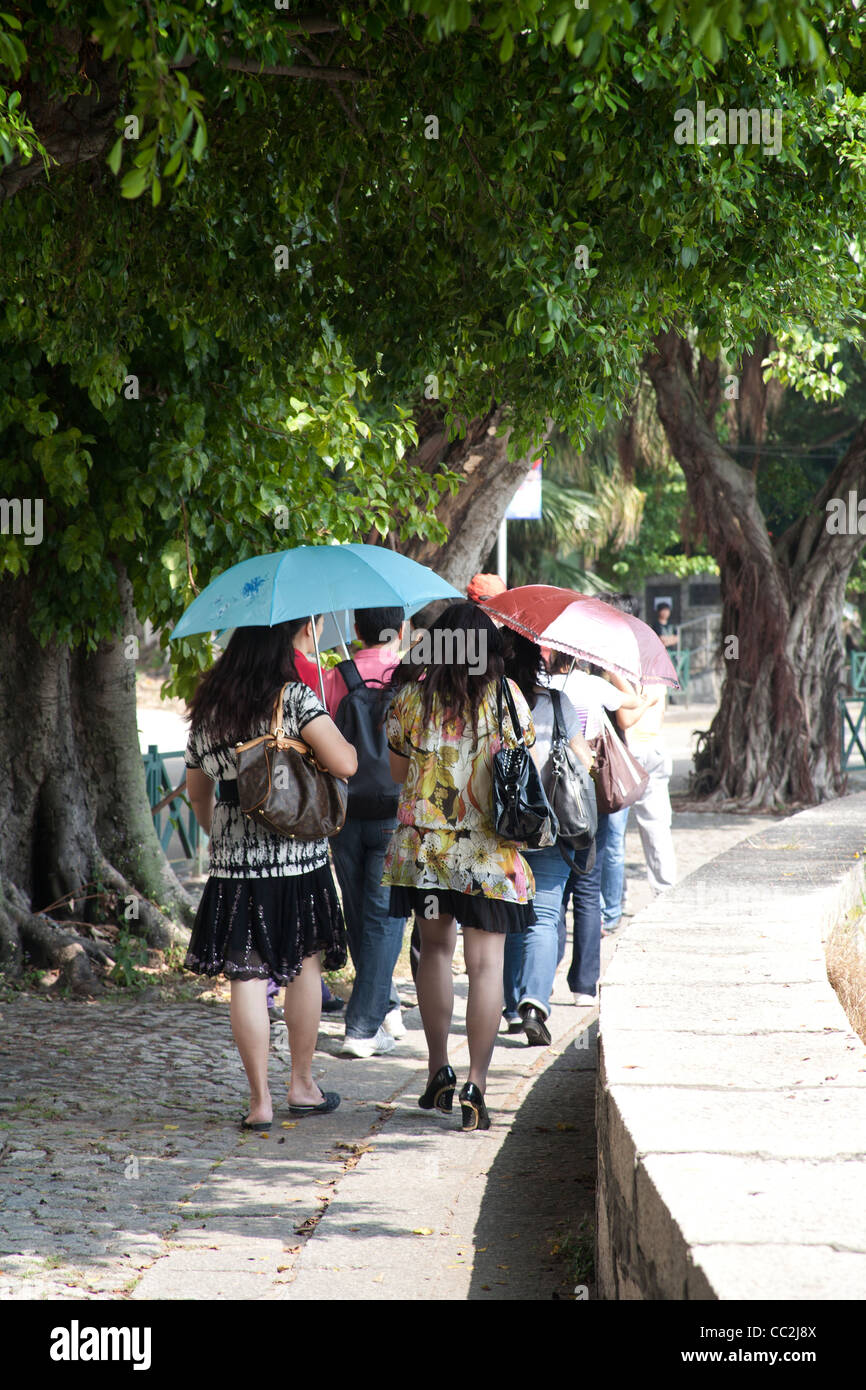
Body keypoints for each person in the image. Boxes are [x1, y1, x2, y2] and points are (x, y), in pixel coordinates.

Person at [184, 619, 358, 1129]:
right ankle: (301, 1085)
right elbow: (345, 763)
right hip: (297, 860)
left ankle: (259, 1101)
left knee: (246, 974)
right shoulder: (295, 698)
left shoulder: (210, 707)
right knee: (304, 965)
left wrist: (216, 834)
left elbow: (198, 790)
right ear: (280, 645)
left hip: (234, 866)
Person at [382, 602, 536, 1131]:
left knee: (434, 952)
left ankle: (437, 1068)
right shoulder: (509, 698)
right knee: (486, 965)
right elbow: (519, 763)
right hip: (488, 854)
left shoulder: (410, 700)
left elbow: (398, 770)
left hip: (426, 854)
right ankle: (478, 1083)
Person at [501, 633, 595, 1045]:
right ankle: (534, 1003)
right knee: (544, 916)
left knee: (505, 918)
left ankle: (506, 1007)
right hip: (551, 825)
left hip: (502, 828)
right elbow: (584, 763)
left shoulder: (490, 703)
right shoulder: (558, 703)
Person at [326, 606, 409, 1058]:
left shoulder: (335, 677)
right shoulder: (411, 676)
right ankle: (362, 1026)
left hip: (343, 810)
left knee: (358, 912)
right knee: (385, 917)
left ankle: (383, 1005)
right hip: (395, 811)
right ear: (399, 630)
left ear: (357, 630)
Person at [549, 654, 650, 1004]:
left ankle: (542, 980)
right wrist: (613, 670)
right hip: (589, 795)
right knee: (588, 892)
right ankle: (583, 987)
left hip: (551, 793)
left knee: (554, 892)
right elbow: (635, 702)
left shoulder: (541, 686)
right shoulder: (594, 686)